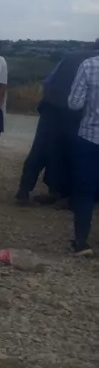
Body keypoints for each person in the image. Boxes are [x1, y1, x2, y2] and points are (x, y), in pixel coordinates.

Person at [15, 41, 99, 207]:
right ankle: (67, 196)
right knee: (72, 153)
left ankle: (24, 191)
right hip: (74, 113)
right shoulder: (92, 64)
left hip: (51, 107)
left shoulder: (71, 57)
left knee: (41, 148)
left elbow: (48, 81)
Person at [66, 53, 99, 256]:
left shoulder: (89, 66)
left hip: (90, 138)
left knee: (85, 191)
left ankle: (82, 242)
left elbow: (75, 103)